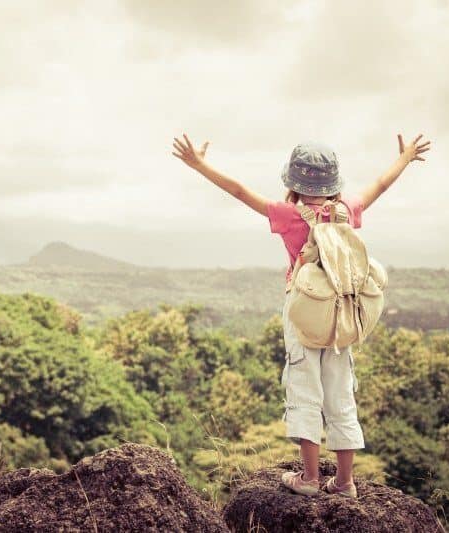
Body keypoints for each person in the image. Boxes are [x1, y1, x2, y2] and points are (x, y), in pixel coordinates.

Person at [171, 132, 431, 498]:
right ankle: (344, 483)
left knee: (304, 388)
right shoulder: (347, 211)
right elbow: (380, 186)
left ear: (292, 182)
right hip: (341, 314)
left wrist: (199, 165)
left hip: (305, 313)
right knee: (341, 393)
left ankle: (308, 478)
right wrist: (404, 157)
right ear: (334, 182)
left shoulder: (289, 215)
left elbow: (239, 191)